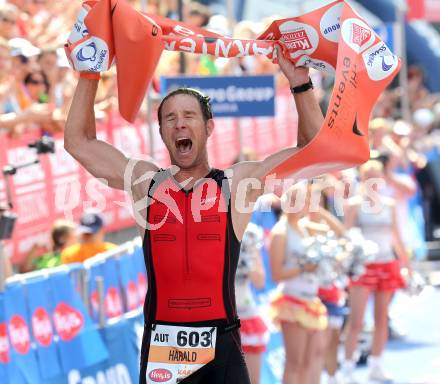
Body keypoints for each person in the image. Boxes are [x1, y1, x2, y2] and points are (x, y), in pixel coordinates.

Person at [64, 41, 323, 383]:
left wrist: (300, 83)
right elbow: (77, 142)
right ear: (162, 133)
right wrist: (89, 71)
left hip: (223, 346)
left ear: (209, 128)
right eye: (170, 118)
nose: (179, 124)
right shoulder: (145, 184)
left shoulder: (237, 185)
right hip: (162, 347)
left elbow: (313, 151)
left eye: (188, 116)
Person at [341, 160, 411, 383]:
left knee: (382, 319)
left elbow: (396, 237)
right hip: (363, 267)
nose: (372, 180)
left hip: (387, 263)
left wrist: (406, 265)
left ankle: (376, 365)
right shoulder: (354, 204)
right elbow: (347, 236)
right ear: (362, 178)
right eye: (368, 175)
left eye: (376, 175)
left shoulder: (389, 204)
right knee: (357, 320)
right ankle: (348, 368)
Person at [235, 222, 268, 384]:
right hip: (220, 318)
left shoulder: (250, 234)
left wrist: (247, 259)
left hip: (246, 314)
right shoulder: (210, 229)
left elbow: (260, 281)